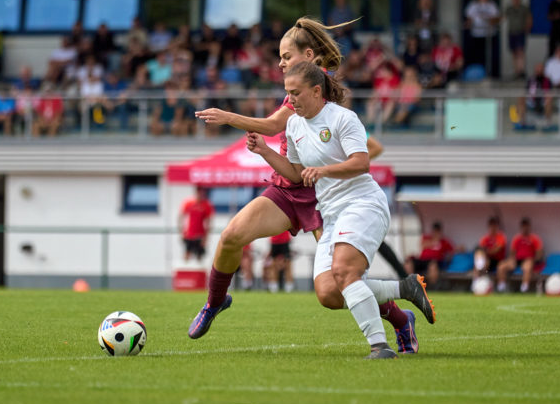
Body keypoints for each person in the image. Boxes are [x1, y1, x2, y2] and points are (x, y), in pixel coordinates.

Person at [190, 18, 429, 355]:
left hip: (322, 196)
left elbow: (274, 125)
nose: (280, 62)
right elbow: (284, 140)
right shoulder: (301, 89)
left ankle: (399, 320)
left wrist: (228, 117)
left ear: (308, 55)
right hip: (291, 184)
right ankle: (214, 303)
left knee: (337, 286)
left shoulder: (314, 93)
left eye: (286, 56)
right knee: (231, 236)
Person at [247, 61, 434, 358]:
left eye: (295, 93)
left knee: (345, 271)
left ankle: (379, 346)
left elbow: (362, 162)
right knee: (329, 293)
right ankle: (405, 289)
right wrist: (265, 151)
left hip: (363, 204)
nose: (289, 100)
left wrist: (324, 171)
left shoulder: (343, 118)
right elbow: (296, 174)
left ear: (316, 91)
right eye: (287, 93)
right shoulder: (294, 124)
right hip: (332, 214)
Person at [496, 217, 544, 293]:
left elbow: (539, 253)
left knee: (527, 267)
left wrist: (533, 261)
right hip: (517, 259)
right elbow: (512, 252)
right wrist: (511, 260)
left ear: (529, 227)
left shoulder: (534, 238)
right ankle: (501, 286)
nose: (525, 228)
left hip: (528, 259)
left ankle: (524, 287)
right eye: (523, 226)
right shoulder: (517, 238)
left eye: (526, 226)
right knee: (501, 266)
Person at [404, 221, 455, 289]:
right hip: (422, 260)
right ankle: (409, 286)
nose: (435, 233)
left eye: (437, 231)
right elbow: (422, 245)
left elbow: (453, 250)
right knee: (408, 263)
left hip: (434, 261)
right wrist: (434, 242)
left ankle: (432, 288)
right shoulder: (427, 238)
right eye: (434, 231)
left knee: (432, 266)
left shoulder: (444, 241)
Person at [464, 0, 500, 76]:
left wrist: (490, 20)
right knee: (477, 55)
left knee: (490, 56)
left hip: (489, 35)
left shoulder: (491, 4)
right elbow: (469, 18)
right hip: (476, 34)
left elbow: (496, 18)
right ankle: (477, 74)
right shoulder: (473, 4)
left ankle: (491, 74)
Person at [179, 187, 214, 262]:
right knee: (187, 254)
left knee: (199, 255)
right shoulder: (189, 203)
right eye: (199, 192)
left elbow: (208, 222)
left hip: (200, 235)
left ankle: (198, 272)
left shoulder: (206, 205)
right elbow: (181, 217)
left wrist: (206, 237)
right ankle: (186, 272)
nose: (201, 194)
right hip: (189, 234)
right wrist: (181, 232)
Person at [504, 0, 532, 79]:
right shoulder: (509, 8)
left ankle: (521, 71)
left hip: (520, 32)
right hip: (511, 32)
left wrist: (528, 28)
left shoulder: (524, 8)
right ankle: (516, 72)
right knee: (514, 52)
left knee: (520, 52)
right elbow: (503, 17)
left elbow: (529, 18)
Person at [473, 216, 507, 281]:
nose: (493, 227)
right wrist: (484, 252)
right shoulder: (485, 238)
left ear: (497, 226)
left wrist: (486, 251)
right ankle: (476, 282)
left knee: (501, 267)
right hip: (488, 261)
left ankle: (501, 287)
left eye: (494, 225)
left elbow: (496, 250)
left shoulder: (501, 237)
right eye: (491, 225)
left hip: (498, 261)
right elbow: (480, 249)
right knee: (481, 261)